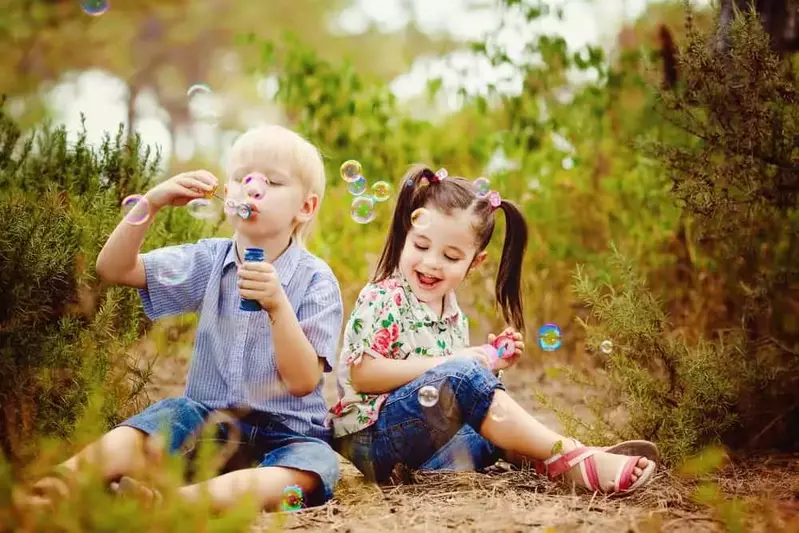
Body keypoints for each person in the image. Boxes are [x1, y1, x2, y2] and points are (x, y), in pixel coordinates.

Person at [20, 125, 344, 512]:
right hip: (208, 428)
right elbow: (113, 268)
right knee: (167, 417)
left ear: (305, 207)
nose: (251, 189)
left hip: (288, 436)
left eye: (271, 182)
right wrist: (152, 203)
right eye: (241, 178)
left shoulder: (316, 280)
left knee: (314, 467)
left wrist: (277, 305)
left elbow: (303, 380)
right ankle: (55, 487)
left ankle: (169, 504)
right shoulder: (208, 260)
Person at [329, 164, 658, 493]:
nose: (431, 262)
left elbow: (448, 393)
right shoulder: (383, 297)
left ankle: (553, 461)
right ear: (405, 237)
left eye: (451, 256)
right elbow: (363, 374)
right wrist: (460, 364)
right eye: (421, 245)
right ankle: (572, 454)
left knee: (492, 432)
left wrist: (490, 365)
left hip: (421, 454)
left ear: (475, 263)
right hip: (372, 441)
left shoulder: (452, 313)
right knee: (464, 377)